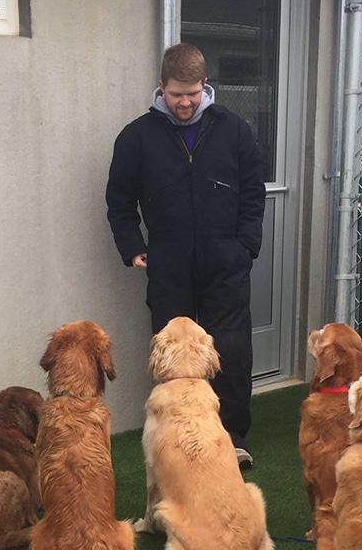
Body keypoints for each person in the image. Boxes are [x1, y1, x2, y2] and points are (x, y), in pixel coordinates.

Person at [106, 43, 266, 470]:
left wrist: (246, 244)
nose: (185, 101)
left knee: (230, 347)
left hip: (225, 258)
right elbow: (119, 198)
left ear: (205, 86)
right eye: (177, 93)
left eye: (193, 93)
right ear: (162, 87)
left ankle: (231, 436)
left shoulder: (234, 130)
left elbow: (253, 190)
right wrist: (132, 246)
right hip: (169, 259)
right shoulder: (137, 136)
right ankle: (174, 431)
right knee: (172, 351)